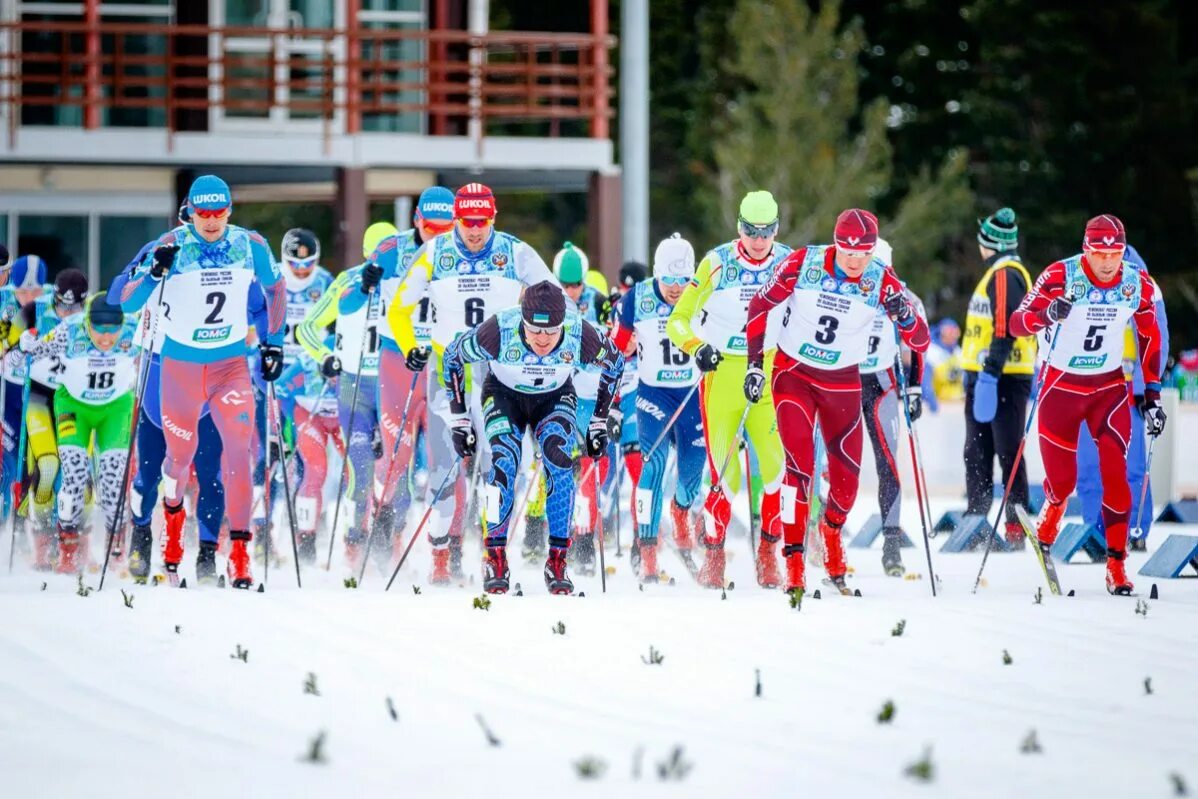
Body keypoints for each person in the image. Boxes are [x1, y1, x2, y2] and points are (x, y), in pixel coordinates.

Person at [746, 208, 930, 595]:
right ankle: (793, 560)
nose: (855, 262)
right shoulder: (804, 262)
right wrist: (754, 366)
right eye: (848, 253)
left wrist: (905, 316)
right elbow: (759, 306)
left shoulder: (881, 279)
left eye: (863, 255)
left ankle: (830, 536)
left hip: (843, 380)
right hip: (793, 374)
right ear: (835, 244)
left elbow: (921, 340)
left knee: (847, 482)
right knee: (800, 469)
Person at [120, 175, 286, 589]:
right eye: (202, 213)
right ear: (190, 212)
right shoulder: (171, 244)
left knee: (238, 454)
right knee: (178, 458)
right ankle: (172, 534)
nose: (210, 221)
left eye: (218, 213)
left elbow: (275, 288)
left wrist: (273, 344)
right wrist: (153, 274)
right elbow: (125, 302)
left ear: (230, 210)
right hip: (181, 369)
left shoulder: (250, 245)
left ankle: (241, 555)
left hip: (230, 366)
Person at [386, 183, 557, 575]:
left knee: (502, 463)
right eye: (467, 222)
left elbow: (554, 295)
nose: (475, 230)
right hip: (450, 370)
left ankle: (491, 551)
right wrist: (412, 345)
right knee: (446, 466)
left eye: (482, 222)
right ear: (456, 220)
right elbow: (399, 308)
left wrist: (545, 335)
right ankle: (441, 555)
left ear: (493, 218)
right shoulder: (434, 252)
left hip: (501, 371)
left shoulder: (515, 251)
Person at [1010, 215, 1164, 594]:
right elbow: (1016, 323)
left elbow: (1150, 336)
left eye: (1115, 253)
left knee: (1117, 473)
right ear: (1086, 250)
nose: (1108, 262)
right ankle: (1051, 511)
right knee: (1064, 480)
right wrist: (1047, 314)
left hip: (1108, 387)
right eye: (1100, 254)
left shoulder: (1136, 282)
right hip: (1060, 385)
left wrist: (1153, 395)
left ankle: (1116, 565)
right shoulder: (1060, 276)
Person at [441, 281, 623, 595]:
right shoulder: (499, 330)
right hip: (503, 395)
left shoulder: (581, 335)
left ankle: (557, 559)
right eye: (534, 332)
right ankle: (495, 556)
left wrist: (598, 423)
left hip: (553, 397)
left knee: (560, 462)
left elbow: (616, 364)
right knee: (503, 462)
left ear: (562, 324)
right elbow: (452, 356)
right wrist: (459, 420)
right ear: (522, 322)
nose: (542, 340)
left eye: (551, 332)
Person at [107, 203, 239, 585]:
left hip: (207, 372)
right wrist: (152, 272)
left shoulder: (228, 258)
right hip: (160, 368)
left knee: (211, 474)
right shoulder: (160, 248)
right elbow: (118, 294)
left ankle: (208, 553)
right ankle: (141, 533)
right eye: (189, 224)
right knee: (150, 473)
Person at [667, 191, 792, 588]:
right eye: (750, 231)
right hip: (722, 374)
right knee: (724, 473)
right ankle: (716, 555)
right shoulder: (717, 263)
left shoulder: (788, 261)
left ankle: (768, 554)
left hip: (769, 373)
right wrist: (698, 348)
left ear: (776, 229)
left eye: (766, 231)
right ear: (738, 227)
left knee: (776, 469)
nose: (758, 240)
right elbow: (678, 320)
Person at [363, 187, 456, 581]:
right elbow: (354, 292)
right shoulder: (390, 249)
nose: (436, 235)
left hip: (439, 361)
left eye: (445, 228)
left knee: (446, 462)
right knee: (396, 458)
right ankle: (383, 530)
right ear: (417, 218)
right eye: (430, 227)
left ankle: (447, 556)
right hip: (397, 360)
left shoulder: (460, 253)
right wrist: (366, 279)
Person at [296, 224, 397, 573]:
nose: (379, 264)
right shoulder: (347, 281)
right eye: (375, 257)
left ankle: (390, 538)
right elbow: (306, 327)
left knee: (395, 468)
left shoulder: (407, 281)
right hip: (354, 385)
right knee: (359, 466)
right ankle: (356, 538)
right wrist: (325, 356)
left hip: (392, 383)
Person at [19, 293, 139, 573]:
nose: (106, 339)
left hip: (115, 408)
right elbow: (36, 349)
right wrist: (27, 343)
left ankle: (115, 540)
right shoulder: (70, 330)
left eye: (113, 331)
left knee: (111, 477)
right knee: (74, 474)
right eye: (99, 330)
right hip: (74, 405)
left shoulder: (135, 330)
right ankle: (67, 544)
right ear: (87, 323)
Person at [614, 234, 705, 583]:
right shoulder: (637, 299)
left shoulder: (703, 297)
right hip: (653, 395)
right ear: (656, 273)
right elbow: (616, 352)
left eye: (684, 280)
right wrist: (610, 407)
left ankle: (681, 511)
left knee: (691, 473)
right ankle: (648, 552)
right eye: (668, 279)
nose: (676, 288)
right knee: (651, 467)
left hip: (692, 396)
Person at [1074, 244, 1168, 550]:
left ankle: (1135, 529)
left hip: (1128, 390)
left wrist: (1146, 386)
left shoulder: (1143, 286)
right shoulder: (1081, 279)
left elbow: (1157, 336)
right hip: (1089, 385)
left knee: (1130, 465)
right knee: (1089, 464)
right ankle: (1095, 530)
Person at [251, 228, 335, 547]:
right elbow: (252, 327)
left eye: (308, 264)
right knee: (270, 453)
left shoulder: (325, 282)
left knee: (305, 457)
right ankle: (261, 532)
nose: (302, 270)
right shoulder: (269, 279)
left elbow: (335, 331)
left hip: (307, 378)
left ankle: (306, 528)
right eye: (295, 264)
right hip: (273, 373)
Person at [960, 208, 1038, 547]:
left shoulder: (1006, 273)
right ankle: (976, 520)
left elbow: (1005, 325)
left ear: (988, 243)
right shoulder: (995, 272)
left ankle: (1016, 525)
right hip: (984, 376)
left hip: (1003, 376)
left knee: (1008, 452)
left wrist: (991, 371)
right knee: (977, 451)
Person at [10, 268, 89, 568]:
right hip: (42, 397)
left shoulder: (90, 316)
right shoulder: (35, 310)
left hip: (76, 400)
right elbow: (5, 345)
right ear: (54, 296)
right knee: (46, 466)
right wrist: (18, 349)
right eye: (62, 306)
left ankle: (75, 543)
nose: (68, 313)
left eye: (75, 308)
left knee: (76, 474)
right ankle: (41, 542)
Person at [856, 238, 925, 577]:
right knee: (833, 464)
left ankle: (892, 545)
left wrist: (913, 388)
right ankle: (822, 537)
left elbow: (918, 345)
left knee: (888, 464)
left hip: (882, 386)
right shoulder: (848, 287)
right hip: (842, 383)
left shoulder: (904, 297)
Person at [553, 241, 613, 574]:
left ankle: (585, 536)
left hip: (593, 396)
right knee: (574, 470)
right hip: (564, 395)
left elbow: (617, 341)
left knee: (595, 472)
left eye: (577, 285)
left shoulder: (598, 301)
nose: (572, 291)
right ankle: (572, 538)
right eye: (566, 285)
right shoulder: (547, 300)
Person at [1, 255, 51, 527]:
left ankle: (41, 521)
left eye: (35, 290)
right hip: (11, 388)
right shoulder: (4, 302)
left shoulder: (55, 303)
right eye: (22, 290)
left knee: (40, 456)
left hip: (41, 389)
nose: (29, 296)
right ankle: (12, 518)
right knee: (12, 455)